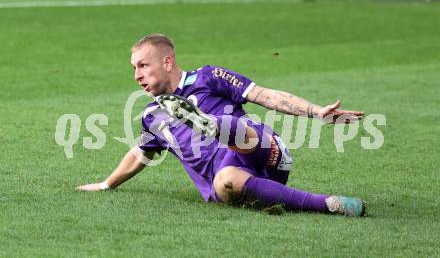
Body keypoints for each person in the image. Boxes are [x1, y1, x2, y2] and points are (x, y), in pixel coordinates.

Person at [76, 34, 366, 217]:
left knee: (241, 134)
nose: (136, 75)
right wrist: (105, 184)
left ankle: (211, 125)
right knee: (225, 179)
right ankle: (330, 204)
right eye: (133, 69)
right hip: (228, 182)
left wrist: (316, 112)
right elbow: (140, 154)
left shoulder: (208, 77)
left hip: (263, 151)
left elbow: (264, 95)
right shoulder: (153, 115)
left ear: (167, 62)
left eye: (142, 65)